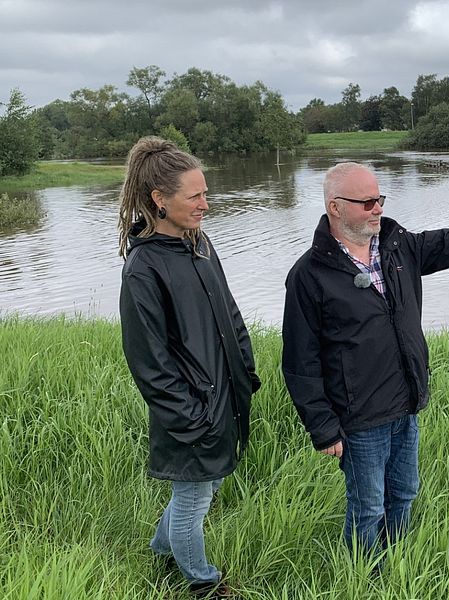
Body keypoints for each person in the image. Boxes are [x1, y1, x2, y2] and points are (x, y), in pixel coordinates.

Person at [281, 161, 449, 556]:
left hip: (405, 403)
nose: (378, 208)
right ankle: (364, 577)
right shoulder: (309, 275)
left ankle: (395, 564)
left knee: (404, 495)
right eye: (368, 202)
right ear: (335, 207)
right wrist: (322, 426)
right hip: (358, 417)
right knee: (367, 508)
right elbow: (299, 362)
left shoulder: (397, 247)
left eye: (380, 199)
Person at [118, 137, 261, 597]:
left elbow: (230, 314)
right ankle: (203, 584)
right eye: (195, 196)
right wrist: (191, 416)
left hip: (225, 394)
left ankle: (161, 553)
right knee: (193, 499)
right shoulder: (143, 268)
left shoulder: (199, 244)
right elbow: (149, 362)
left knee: (206, 487)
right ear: (160, 200)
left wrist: (246, 369)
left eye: (206, 192)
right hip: (192, 409)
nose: (206, 204)